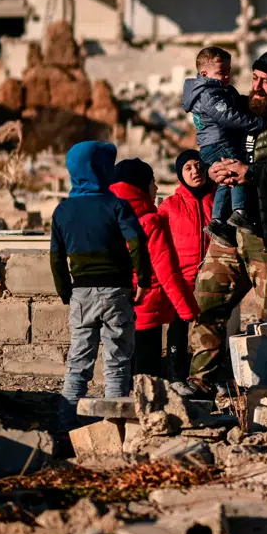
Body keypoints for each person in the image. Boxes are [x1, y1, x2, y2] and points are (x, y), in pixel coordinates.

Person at [184, 49, 267, 396]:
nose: (257, 86)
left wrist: (251, 173)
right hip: (229, 230)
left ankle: (266, 389)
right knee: (207, 302)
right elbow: (211, 144)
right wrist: (210, 171)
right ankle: (201, 381)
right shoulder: (237, 111)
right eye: (255, 78)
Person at [50, 141, 151, 422]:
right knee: (117, 364)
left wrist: (65, 292)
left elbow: (56, 258)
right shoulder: (117, 205)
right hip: (117, 292)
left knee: (78, 364)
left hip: (81, 294)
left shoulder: (62, 211)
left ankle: (64, 428)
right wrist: (143, 279)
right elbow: (137, 242)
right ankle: (115, 428)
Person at [107, 158, 201, 379]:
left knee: (120, 372)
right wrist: (187, 309)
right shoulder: (150, 221)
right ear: (140, 186)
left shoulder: (107, 217)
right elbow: (166, 270)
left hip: (114, 306)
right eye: (152, 182)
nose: (156, 188)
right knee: (147, 376)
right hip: (147, 307)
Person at [182, 45, 266, 238]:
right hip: (219, 142)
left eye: (229, 72)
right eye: (222, 73)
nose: (227, 77)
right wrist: (256, 123)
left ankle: (217, 220)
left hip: (210, 144)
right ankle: (240, 212)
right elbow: (228, 116)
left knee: (224, 180)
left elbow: (236, 102)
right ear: (205, 73)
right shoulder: (209, 94)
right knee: (235, 171)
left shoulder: (218, 90)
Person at [158, 149, 215, 380]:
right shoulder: (171, 205)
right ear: (180, 175)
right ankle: (176, 375)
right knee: (178, 330)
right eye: (188, 168)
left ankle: (206, 378)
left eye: (198, 165)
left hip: (213, 278)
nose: (196, 171)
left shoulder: (218, 199)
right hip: (182, 280)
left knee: (211, 330)